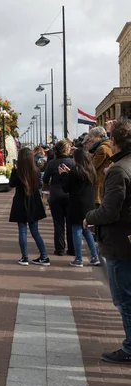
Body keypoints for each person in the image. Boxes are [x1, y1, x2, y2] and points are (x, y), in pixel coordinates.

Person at [85, 119, 131, 364]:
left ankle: (130, 346)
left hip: (119, 242)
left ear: (114, 142)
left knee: (123, 297)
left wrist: (90, 217)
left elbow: (110, 211)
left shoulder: (118, 170)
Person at [58, 148, 100, 267]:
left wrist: (63, 175)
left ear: (77, 159)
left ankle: (78, 259)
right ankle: (94, 256)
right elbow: (80, 180)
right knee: (86, 230)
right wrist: (68, 172)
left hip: (76, 204)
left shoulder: (75, 170)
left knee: (76, 230)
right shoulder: (91, 170)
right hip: (89, 204)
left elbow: (66, 188)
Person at [9, 148, 50, 266]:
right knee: (35, 231)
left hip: (20, 202)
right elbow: (39, 184)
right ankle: (44, 256)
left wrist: (14, 171)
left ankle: (24, 257)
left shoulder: (18, 171)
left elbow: (11, 184)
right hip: (34, 201)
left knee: (22, 231)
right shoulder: (36, 170)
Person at [43, 139, 74, 256]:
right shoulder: (73, 162)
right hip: (70, 195)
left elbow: (45, 180)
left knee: (58, 223)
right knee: (70, 223)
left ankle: (60, 249)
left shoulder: (51, 163)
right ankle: (72, 249)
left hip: (56, 195)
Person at [84, 126, 113, 207]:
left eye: (91, 137)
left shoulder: (101, 149)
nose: (90, 139)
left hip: (99, 183)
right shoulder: (107, 145)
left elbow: (92, 166)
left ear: (98, 137)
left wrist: (89, 156)